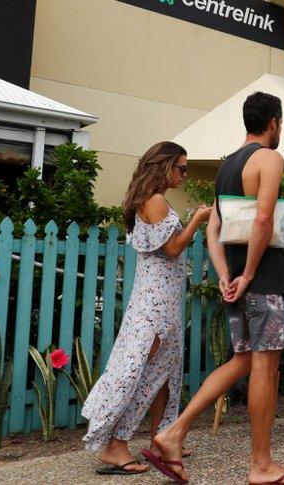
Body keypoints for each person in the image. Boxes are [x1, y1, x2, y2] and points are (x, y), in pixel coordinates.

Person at [147, 92, 284, 485]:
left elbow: (214, 228)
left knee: (243, 360)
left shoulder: (226, 166)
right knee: (265, 369)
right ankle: (261, 465)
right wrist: (250, 274)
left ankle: (172, 433)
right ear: (274, 122)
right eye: (280, 124)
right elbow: (264, 219)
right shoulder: (269, 158)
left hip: (235, 278)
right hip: (264, 279)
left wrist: (225, 275)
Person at [82, 141, 211, 475]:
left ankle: (162, 437)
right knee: (139, 373)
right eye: (181, 168)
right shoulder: (154, 201)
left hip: (162, 302)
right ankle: (115, 446)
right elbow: (171, 249)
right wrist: (197, 218)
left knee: (164, 374)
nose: (184, 174)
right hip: (153, 307)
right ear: (163, 166)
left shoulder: (153, 200)